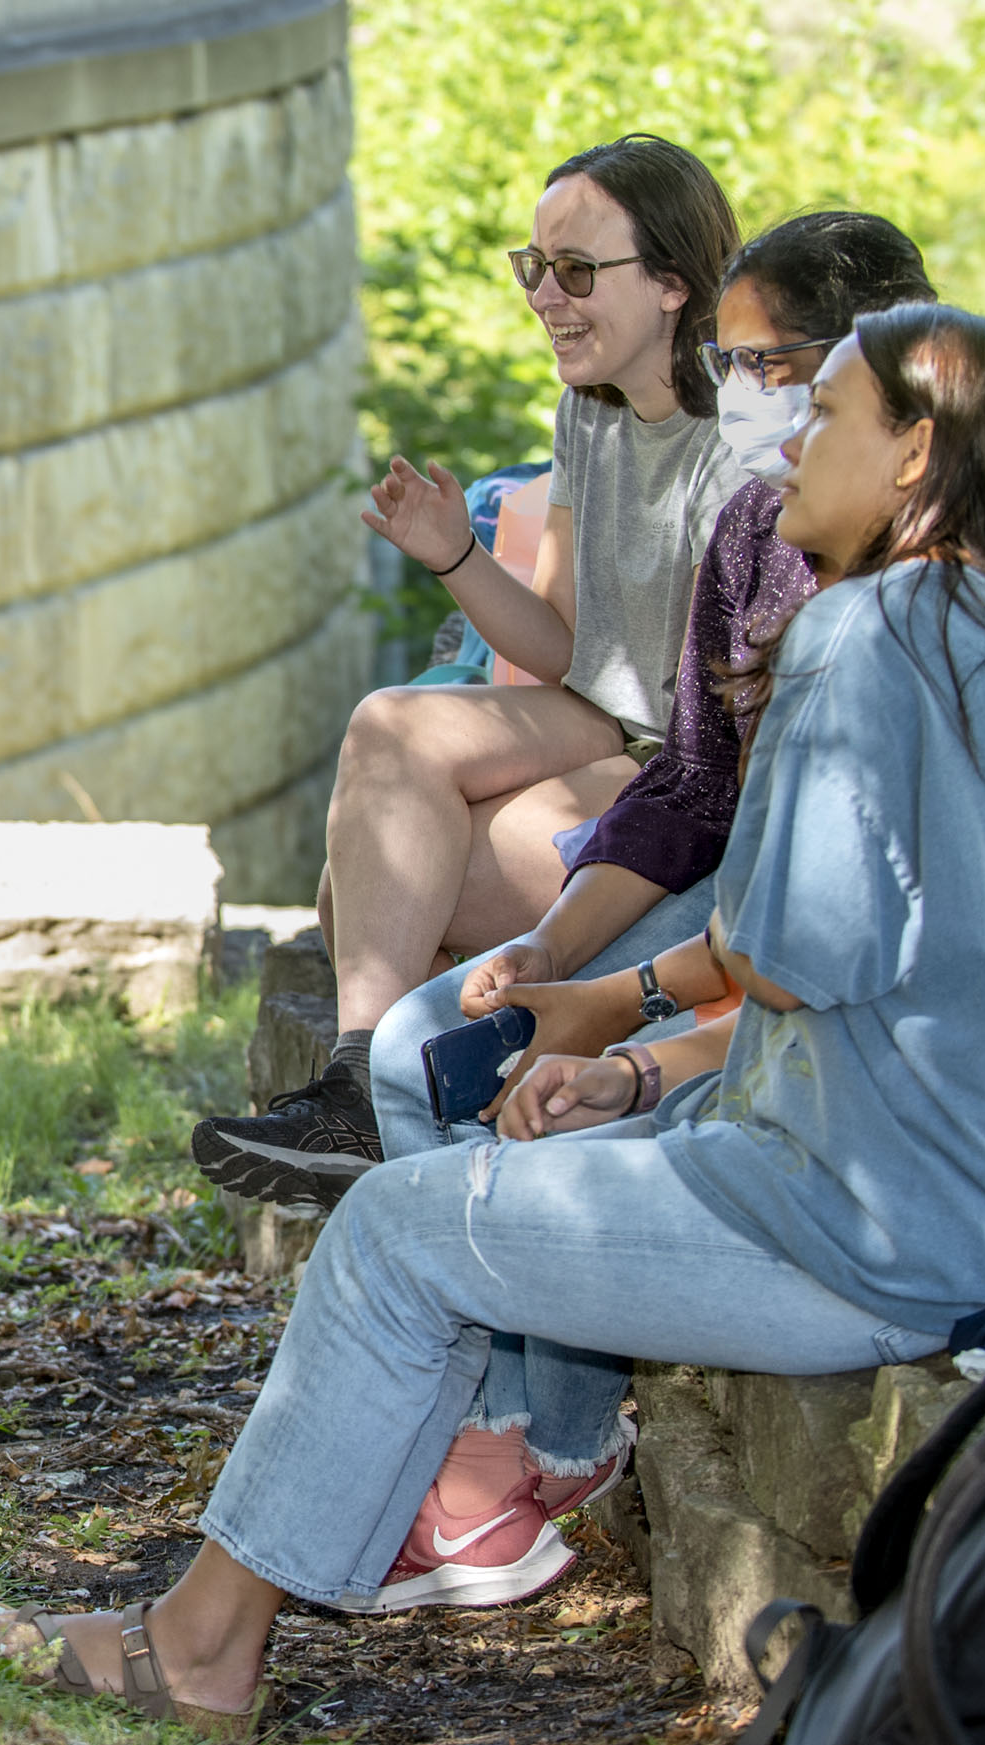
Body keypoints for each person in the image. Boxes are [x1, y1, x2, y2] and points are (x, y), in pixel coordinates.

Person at [0, 304, 985, 1735]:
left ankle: (205, 1647)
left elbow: (790, 951)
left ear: (916, 456)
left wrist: (621, 1021)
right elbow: (892, 986)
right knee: (463, 1198)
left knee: (397, 1235)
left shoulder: (861, 636)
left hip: (870, 1229)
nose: (786, 445)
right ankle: (421, 1522)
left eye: (825, 412)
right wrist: (639, 1074)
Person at [193, 134, 743, 1208]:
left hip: (689, 774)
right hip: (599, 718)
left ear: (674, 282)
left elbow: (715, 734)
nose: (547, 296)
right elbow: (567, 647)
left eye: (577, 270)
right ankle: (355, 1084)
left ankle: (397, 1113)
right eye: (533, 266)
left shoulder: (738, 440)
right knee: (390, 730)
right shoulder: (588, 408)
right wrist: (455, 553)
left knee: (391, 889)